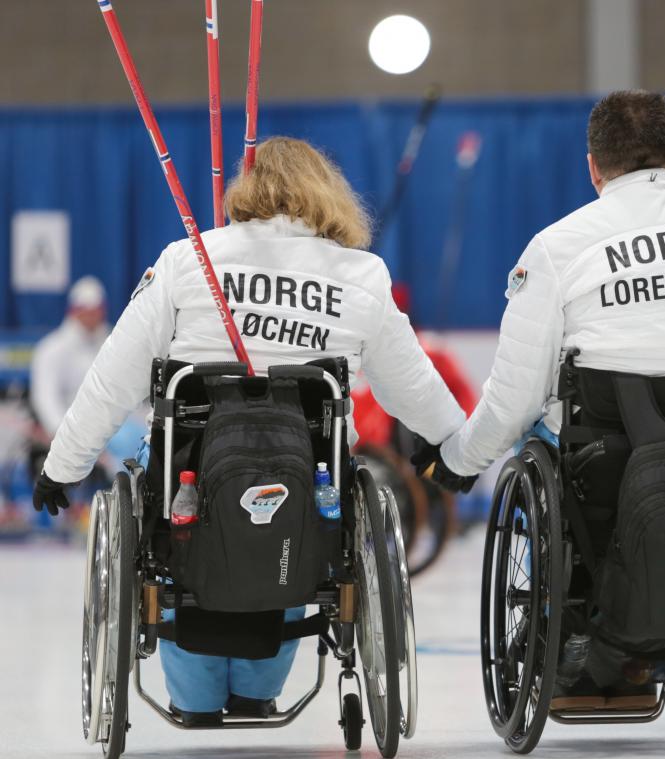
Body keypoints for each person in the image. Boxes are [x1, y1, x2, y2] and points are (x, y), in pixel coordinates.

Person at [31, 136, 465, 726]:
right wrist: (455, 449)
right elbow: (415, 389)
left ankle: (198, 696)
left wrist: (63, 467)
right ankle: (258, 685)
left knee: (181, 508)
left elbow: (112, 378)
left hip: (188, 498)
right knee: (303, 516)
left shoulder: (190, 260)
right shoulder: (361, 276)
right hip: (307, 508)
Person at [417, 90, 665, 705]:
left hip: (601, 470)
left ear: (593, 167)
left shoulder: (556, 247)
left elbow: (514, 396)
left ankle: (589, 642)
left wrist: (459, 462)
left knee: (542, 440)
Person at [30, 276, 110, 437]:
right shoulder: (51, 349)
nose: (91, 317)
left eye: (96, 311)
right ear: (74, 311)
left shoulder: (113, 341)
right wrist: (65, 438)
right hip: (71, 433)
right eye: (86, 311)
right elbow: (45, 399)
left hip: (111, 431)